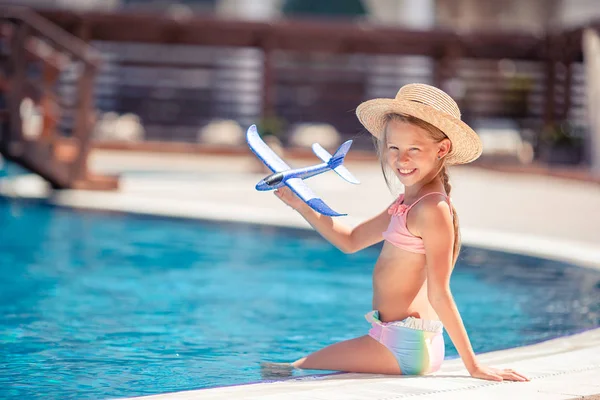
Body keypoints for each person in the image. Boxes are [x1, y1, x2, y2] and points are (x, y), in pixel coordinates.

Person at [269, 83, 528, 382]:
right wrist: (299, 203)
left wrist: (474, 366)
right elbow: (351, 240)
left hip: (405, 346)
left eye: (414, 150)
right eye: (394, 148)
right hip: (399, 341)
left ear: (442, 149)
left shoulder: (432, 209)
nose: (401, 160)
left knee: (289, 370)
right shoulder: (408, 202)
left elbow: (440, 293)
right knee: (294, 369)